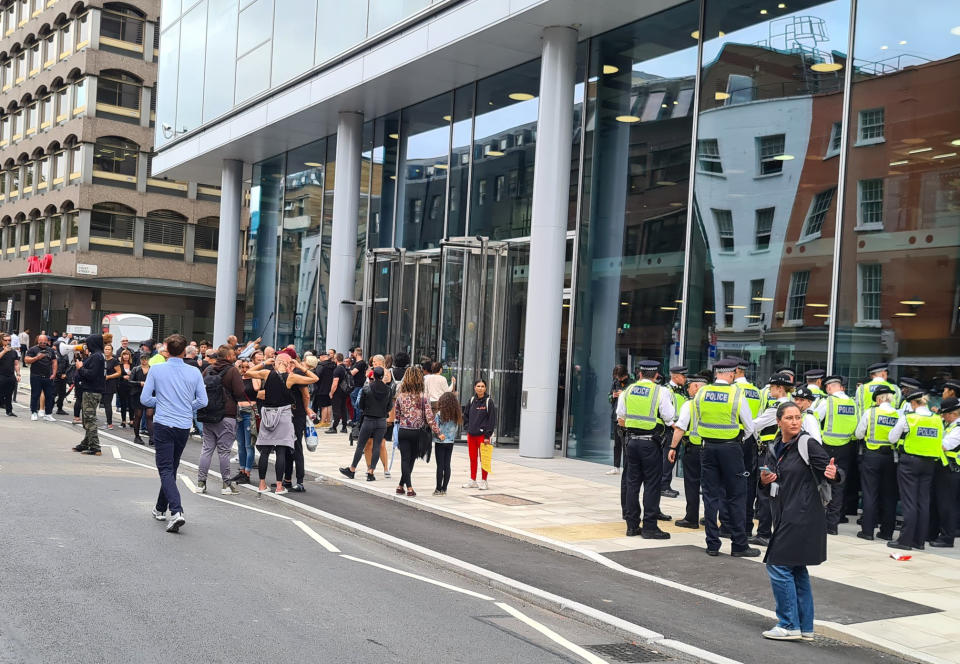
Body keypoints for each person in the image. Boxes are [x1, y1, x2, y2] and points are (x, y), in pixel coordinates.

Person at [758, 402, 840, 641]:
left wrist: (834, 474)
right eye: (790, 418)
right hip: (784, 513)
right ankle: (805, 628)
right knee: (796, 569)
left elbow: (832, 470)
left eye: (798, 417)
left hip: (802, 515)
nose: (795, 422)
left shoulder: (807, 443)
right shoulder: (774, 446)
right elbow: (768, 483)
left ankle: (788, 624)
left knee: (777, 564)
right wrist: (764, 480)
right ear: (779, 421)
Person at [692, 357, 759, 557]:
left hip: (708, 448)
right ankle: (739, 545)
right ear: (731, 373)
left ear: (716, 374)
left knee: (711, 497)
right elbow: (749, 427)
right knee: (737, 496)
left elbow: (696, 422)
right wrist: (737, 440)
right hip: (731, 449)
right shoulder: (736, 394)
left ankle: (712, 544)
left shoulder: (702, 392)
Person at [140, 334, 208, 533]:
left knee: (165, 469)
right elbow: (203, 401)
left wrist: (161, 403)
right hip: (182, 425)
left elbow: (145, 399)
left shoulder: (157, 369)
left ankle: (177, 511)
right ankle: (160, 508)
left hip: (163, 423)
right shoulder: (194, 372)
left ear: (167, 350)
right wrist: (187, 407)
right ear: (185, 350)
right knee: (172, 467)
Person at [616, 360, 676, 539]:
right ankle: (650, 527)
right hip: (651, 444)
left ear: (640, 374)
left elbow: (620, 417)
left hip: (632, 442)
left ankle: (632, 526)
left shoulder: (627, 391)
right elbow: (669, 417)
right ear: (656, 375)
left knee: (632, 484)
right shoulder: (661, 391)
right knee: (652, 485)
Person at [888, 389, 945, 551]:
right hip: (929, 464)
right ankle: (919, 541)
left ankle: (905, 541)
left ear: (913, 403)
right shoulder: (936, 419)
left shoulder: (909, 418)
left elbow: (892, 437)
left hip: (910, 463)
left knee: (909, 502)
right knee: (923, 501)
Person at [244, 354, 307, 494]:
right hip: (284, 415)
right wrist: (299, 366)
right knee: (281, 451)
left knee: (265, 451)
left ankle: (262, 485)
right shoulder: (291, 377)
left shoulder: (267, 373)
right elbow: (315, 379)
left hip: (268, 415)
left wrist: (263, 363)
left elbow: (247, 372)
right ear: (287, 363)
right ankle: (279, 486)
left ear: (276, 363)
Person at [196, 345, 250, 495]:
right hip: (227, 414)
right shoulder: (232, 370)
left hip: (208, 414)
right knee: (224, 452)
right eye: (233, 354)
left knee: (207, 450)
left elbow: (200, 387)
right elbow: (240, 392)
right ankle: (226, 485)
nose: (235, 356)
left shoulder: (208, 369)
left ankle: (201, 483)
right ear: (227, 356)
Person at [748, 373, 795, 546]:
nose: (769, 389)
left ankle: (764, 533)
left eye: (772, 387)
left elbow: (755, 424)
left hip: (769, 452)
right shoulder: (792, 404)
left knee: (765, 493)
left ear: (780, 388)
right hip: (783, 452)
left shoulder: (777, 406)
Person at [854, 384, 899, 541]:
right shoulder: (898, 414)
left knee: (870, 493)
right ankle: (887, 532)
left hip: (872, 456)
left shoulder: (871, 412)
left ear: (879, 399)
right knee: (889, 495)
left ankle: (867, 531)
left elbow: (859, 434)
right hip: (891, 458)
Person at [814, 376, 857, 535]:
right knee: (839, 484)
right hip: (845, 446)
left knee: (822, 482)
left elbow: (814, 417)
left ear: (829, 388)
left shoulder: (828, 401)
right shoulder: (852, 403)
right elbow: (857, 428)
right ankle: (832, 525)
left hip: (827, 445)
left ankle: (820, 520)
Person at [667, 372, 710, 528]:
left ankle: (691, 518)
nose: (688, 390)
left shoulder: (690, 404)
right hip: (712, 449)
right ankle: (709, 517)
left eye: (690, 386)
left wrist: (673, 447)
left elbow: (680, 428)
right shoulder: (714, 404)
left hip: (693, 450)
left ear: (697, 386)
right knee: (710, 485)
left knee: (692, 484)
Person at [394, 366, 443, 497]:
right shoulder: (423, 397)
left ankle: (401, 486)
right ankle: (409, 488)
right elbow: (429, 417)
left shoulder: (401, 396)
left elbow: (397, 415)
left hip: (403, 430)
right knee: (411, 460)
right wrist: (438, 432)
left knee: (405, 459)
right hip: (417, 432)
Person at [340, 366, 394, 482]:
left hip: (368, 419)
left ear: (373, 375)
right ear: (382, 376)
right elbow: (390, 406)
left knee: (361, 446)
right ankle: (371, 472)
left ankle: (352, 469)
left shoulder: (367, 388)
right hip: (381, 420)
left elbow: (360, 406)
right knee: (377, 446)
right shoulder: (388, 390)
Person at [280, 350, 318, 492]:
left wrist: (306, 408)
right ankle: (287, 479)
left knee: (296, 447)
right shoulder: (286, 374)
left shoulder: (298, 373)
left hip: (297, 414)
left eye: (283, 360)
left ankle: (300, 481)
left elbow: (306, 394)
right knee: (287, 447)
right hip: (288, 413)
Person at [928, 398, 960, 547]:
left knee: (947, 505)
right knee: (936, 503)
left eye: (945, 414)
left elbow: (944, 445)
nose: (943, 417)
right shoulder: (949, 425)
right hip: (941, 469)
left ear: (953, 414)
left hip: (951, 471)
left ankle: (947, 538)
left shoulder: (958, 428)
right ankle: (932, 533)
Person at [73, 335, 106, 455]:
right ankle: (86, 442)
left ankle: (95, 447)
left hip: (91, 391)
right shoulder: (99, 355)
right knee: (87, 418)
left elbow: (91, 374)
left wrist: (80, 368)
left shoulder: (96, 357)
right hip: (94, 390)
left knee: (89, 419)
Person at [462, 379, 497, 490]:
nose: (480, 388)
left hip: (483, 437)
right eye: (478, 386)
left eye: (482, 386)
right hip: (471, 435)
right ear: (474, 388)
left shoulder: (489, 402)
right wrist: (468, 428)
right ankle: (472, 480)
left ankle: (484, 481)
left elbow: (491, 420)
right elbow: (465, 416)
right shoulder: (471, 400)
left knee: (484, 459)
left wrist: (487, 436)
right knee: (473, 458)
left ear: (485, 388)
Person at [660, 365, 688, 495]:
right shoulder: (666, 390)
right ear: (676, 376)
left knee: (673, 458)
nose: (685, 378)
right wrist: (673, 425)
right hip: (670, 429)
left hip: (679, 429)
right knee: (668, 458)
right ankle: (663, 486)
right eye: (683, 376)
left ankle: (666, 484)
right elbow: (664, 412)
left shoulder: (682, 391)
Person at [232, 359, 259, 484]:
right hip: (238, 411)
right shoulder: (239, 379)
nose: (245, 369)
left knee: (249, 444)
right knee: (240, 445)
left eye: (247, 366)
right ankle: (242, 471)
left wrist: (253, 370)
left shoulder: (255, 378)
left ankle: (247, 473)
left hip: (249, 412)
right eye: (243, 367)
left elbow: (257, 387)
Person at [24, 333, 57, 422]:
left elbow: (54, 362)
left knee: (49, 396)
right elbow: (26, 360)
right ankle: (34, 412)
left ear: (47, 341)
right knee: (35, 395)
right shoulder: (33, 349)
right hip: (36, 376)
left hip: (48, 376)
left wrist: (54, 373)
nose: (42, 343)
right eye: (41, 341)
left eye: (44, 342)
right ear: (38, 341)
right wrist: (37, 357)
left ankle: (48, 414)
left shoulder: (50, 350)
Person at [433, 392, 461, 495]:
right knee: (447, 464)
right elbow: (456, 429)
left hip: (440, 441)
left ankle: (437, 488)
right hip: (450, 442)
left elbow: (435, 428)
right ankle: (444, 489)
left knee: (439, 465)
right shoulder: (456, 414)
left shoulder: (440, 414)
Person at [606, 365, 630, 476]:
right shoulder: (615, 382)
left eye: (619, 377)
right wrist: (613, 395)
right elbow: (609, 397)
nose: (618, 379)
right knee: (617, 444)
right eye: (616, 377)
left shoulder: (632, 383)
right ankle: (616, 467)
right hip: (616, 416)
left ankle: (627, 466)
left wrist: (624, 395)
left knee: (626, 444)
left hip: (627, 418)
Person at [129, 354, 152, 444]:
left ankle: (152, 437)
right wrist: (140, 383)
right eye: (142, 359)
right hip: (137, 394)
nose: (144, 361)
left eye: (146, 359)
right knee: (138, 416)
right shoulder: (136, 369)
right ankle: (137, 436)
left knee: (149, 415)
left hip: (149, 395)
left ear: (149, 360)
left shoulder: (152, 369)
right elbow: (130, 381)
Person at [327, 353, 350, 434]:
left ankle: (334, 427)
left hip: (337, 392)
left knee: (336, 409)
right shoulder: (345, 368)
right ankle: (344, 427)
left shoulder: (337, 369)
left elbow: (335, 383)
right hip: (344, 391)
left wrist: (331, 392)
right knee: (343, 409)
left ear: (336, 359)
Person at [100, 344, 121, 429]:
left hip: (109, 385)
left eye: (109, 349)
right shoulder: (101, 360)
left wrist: (109, 376)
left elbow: (119, 372)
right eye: (106, 349)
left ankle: (109, 423)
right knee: (101, 403)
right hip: (100, 384)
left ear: (112, 351)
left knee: (107, 404)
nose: (107, 351)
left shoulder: (114, 361)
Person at [0, 333, 20, 416]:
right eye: (6, 340)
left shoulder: (13, 352)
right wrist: (4, 351)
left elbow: (16, 364)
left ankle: (9, 411)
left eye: (9, 340)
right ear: (1, 340)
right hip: (1, 375)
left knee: (9, 394)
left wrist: (18, 374)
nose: (8, 342)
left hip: (10, 375)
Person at [115, 349, 135, 428]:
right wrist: (123, 376)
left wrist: (130, 376)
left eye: (127, 354)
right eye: (124, 354)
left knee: (131, 404)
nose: (126, 356)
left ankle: (131, 420)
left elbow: (135, 375)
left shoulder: (132, 365)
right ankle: (123, 420)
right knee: (123, 404)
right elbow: (117, 375)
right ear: (122, 356)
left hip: (131, 386)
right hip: (122, 386)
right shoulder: (119, 365)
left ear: (129, 356)